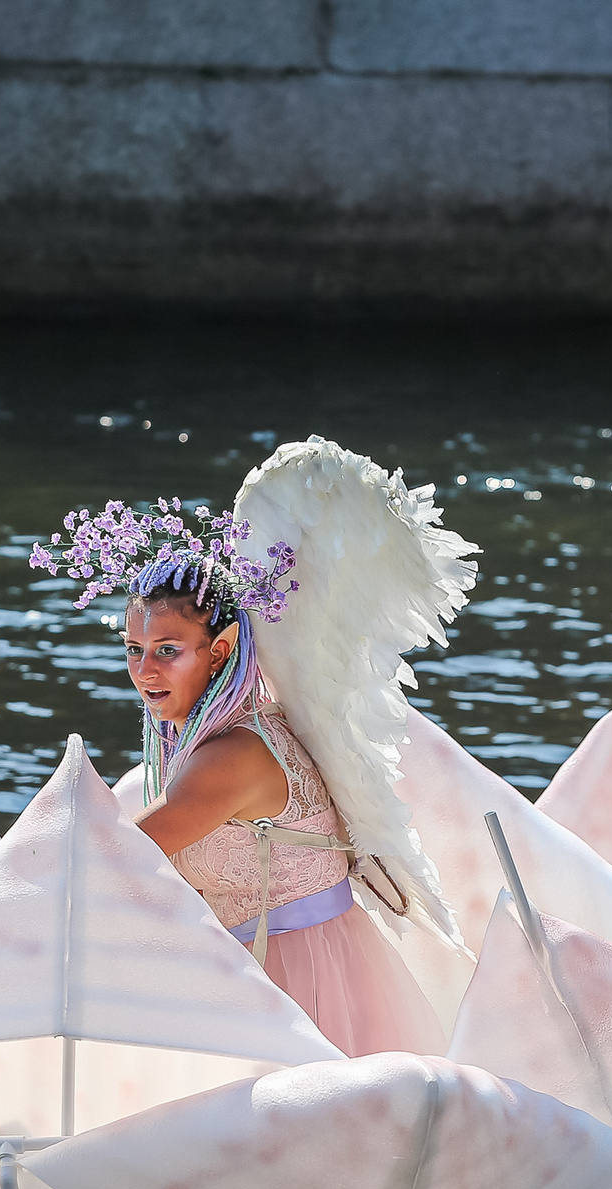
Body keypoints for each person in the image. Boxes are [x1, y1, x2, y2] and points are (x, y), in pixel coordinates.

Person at [37, 443, 481, 1057]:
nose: (144, 670)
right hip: (277, 961)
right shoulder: (239, 724)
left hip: (295, 979)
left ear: (218, 651)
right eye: (134, 649)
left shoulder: (230, 758)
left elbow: (114, 856)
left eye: (168, 650)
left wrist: (0, 876)